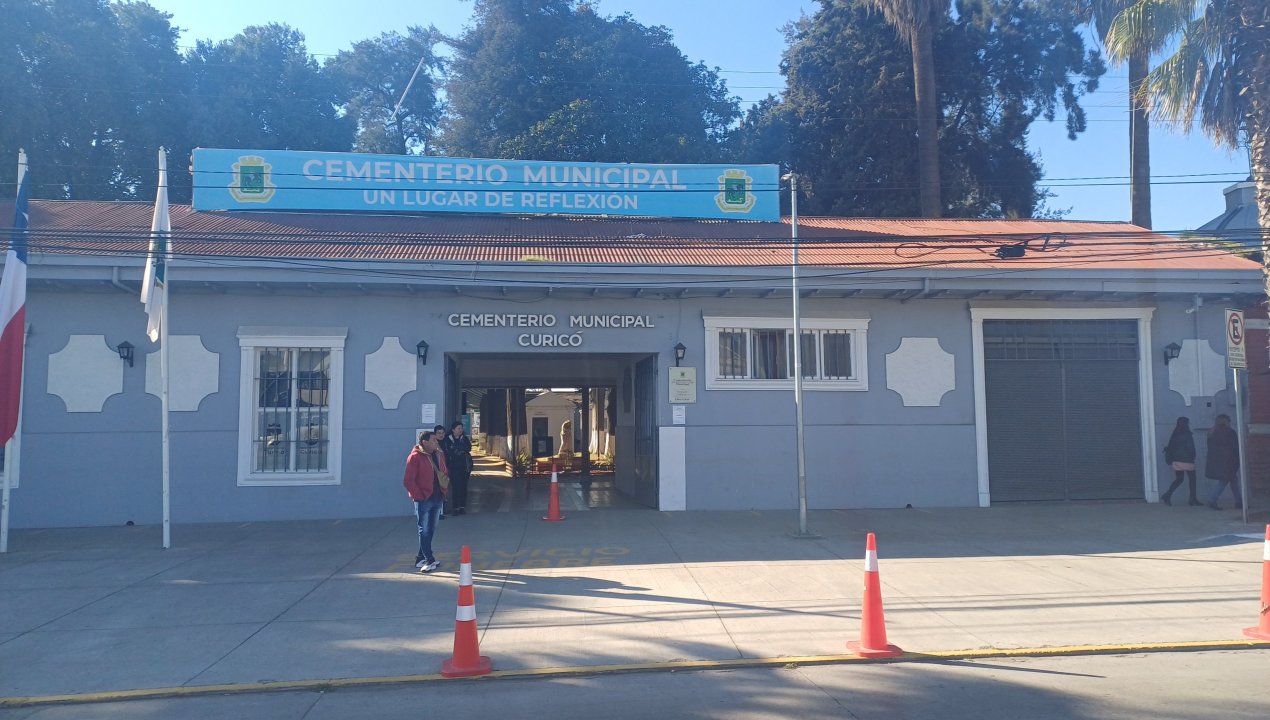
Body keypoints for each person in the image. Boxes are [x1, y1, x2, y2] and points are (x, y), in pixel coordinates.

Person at [403, 430, 448, 573]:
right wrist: (420, 496)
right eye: (434, 440)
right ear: (425, 442)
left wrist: (444, 487)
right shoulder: (415, 457)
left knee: (431, 528)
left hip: (437, 496)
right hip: (424, 499)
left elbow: (444, 471)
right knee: (424, 529)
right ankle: (429, 559)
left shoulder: (439, 454)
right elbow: (408, 481)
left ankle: (420, 558)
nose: (436, 442)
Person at [1205, 414, 1242, 510]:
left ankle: (1239, 501)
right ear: (1227, 422)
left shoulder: (1212, 432)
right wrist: (1238, 459)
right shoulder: (1230, 432)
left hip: (1218, 462)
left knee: (1233, 481)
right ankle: (1212, 500)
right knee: (1224, 481)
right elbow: (1235, 448)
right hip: (1229, 461)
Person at [1161, 416, 1199, 506]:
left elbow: (1170, 446)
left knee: (1179, 479)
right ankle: (1192, 499)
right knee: (1192, 479)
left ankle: (1168, 494)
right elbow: (1191, 448)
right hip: (1187, 460)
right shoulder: (1187, 434)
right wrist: (1193, 456)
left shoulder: (1175, 434)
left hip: (1176, 460)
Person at [441, 420, 473, 515]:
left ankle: (462, 507)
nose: (460, 430)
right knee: (455, 487)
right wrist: (458, 449)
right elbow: (447, 451)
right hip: (453, 467)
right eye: (458, 428)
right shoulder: (447, 439)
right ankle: (455, 507)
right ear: (453, 429)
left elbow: (468, 448)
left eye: (461, 428)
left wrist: (457, 447)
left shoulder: (464, 438)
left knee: (463, 487)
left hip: (465, 467)